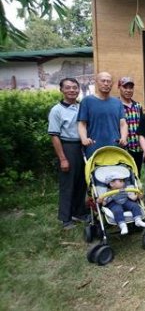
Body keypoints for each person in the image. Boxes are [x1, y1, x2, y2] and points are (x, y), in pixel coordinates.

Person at [48, 77, 87, 230]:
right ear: (62, 90)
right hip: (68, 146)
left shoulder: (81, 107)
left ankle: (79, 212)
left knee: (81, 182)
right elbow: (54, 136)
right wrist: (62, 158)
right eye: (68, 88)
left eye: (75, 88)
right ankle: (65, 218)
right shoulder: (56, 110)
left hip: (82, 147)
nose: (72, 90)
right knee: (67, 184)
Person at [77, 72, 128, 158]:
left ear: (112, 84)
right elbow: (82, 124)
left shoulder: (117, 102)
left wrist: (123, 137)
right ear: (96, 82)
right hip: (94, 147)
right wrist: (84, 139)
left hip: (115, 147)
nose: (106, 84)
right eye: (103, 81)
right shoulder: (87, 101)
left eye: (109, 81)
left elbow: (123, 124)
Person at [118, 76, 143, 172]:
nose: (128, 90)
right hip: (122, 147)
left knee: (136, 173)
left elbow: (141, 126)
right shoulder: (116, 104)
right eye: (125, 87)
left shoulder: (138, 105)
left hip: (137, 147)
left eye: (131, 88)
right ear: (119, 87)